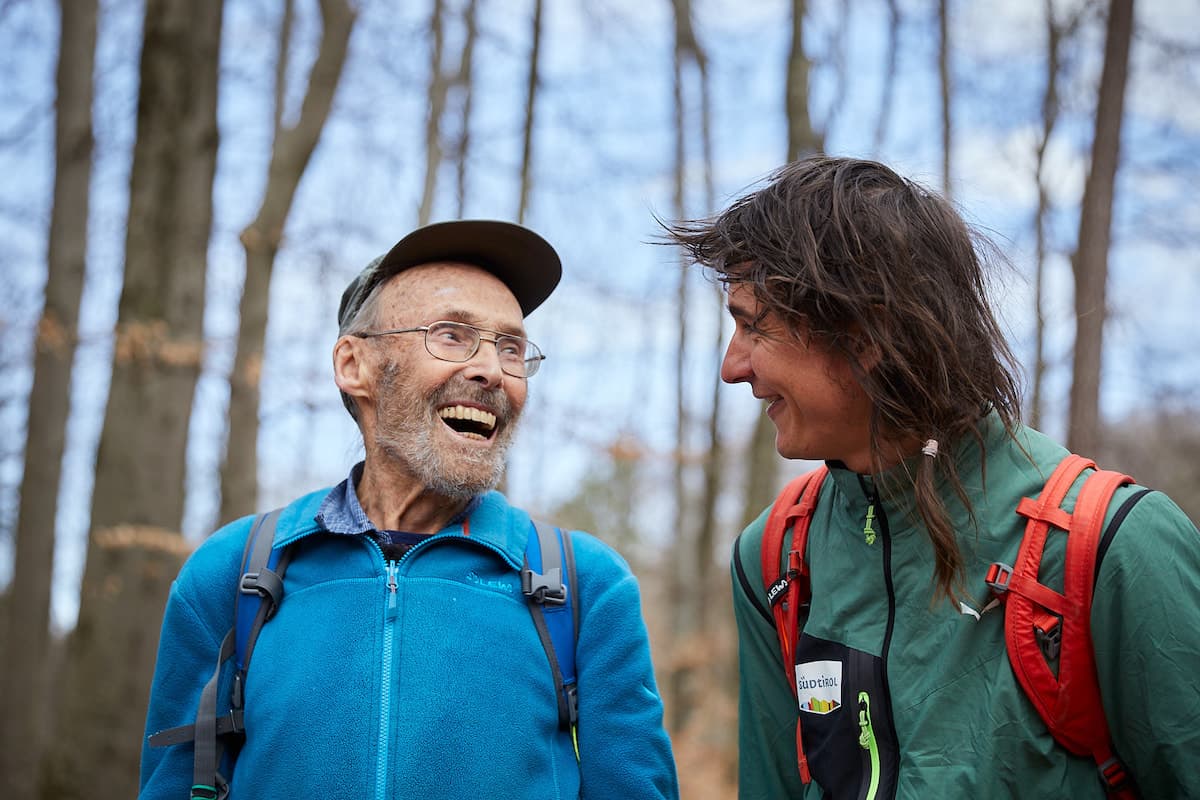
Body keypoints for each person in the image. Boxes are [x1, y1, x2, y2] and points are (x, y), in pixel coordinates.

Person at [667, 156, 1200, 799]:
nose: (732, 367)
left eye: (754, 325)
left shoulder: (1116, 546)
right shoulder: (776, 557)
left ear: (866, 331)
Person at [140, 220, 679, 799]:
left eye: (512, 348)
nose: (492, 371)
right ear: (354, 365)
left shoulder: (585, 587)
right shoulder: (231, 574)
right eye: (452, 335)